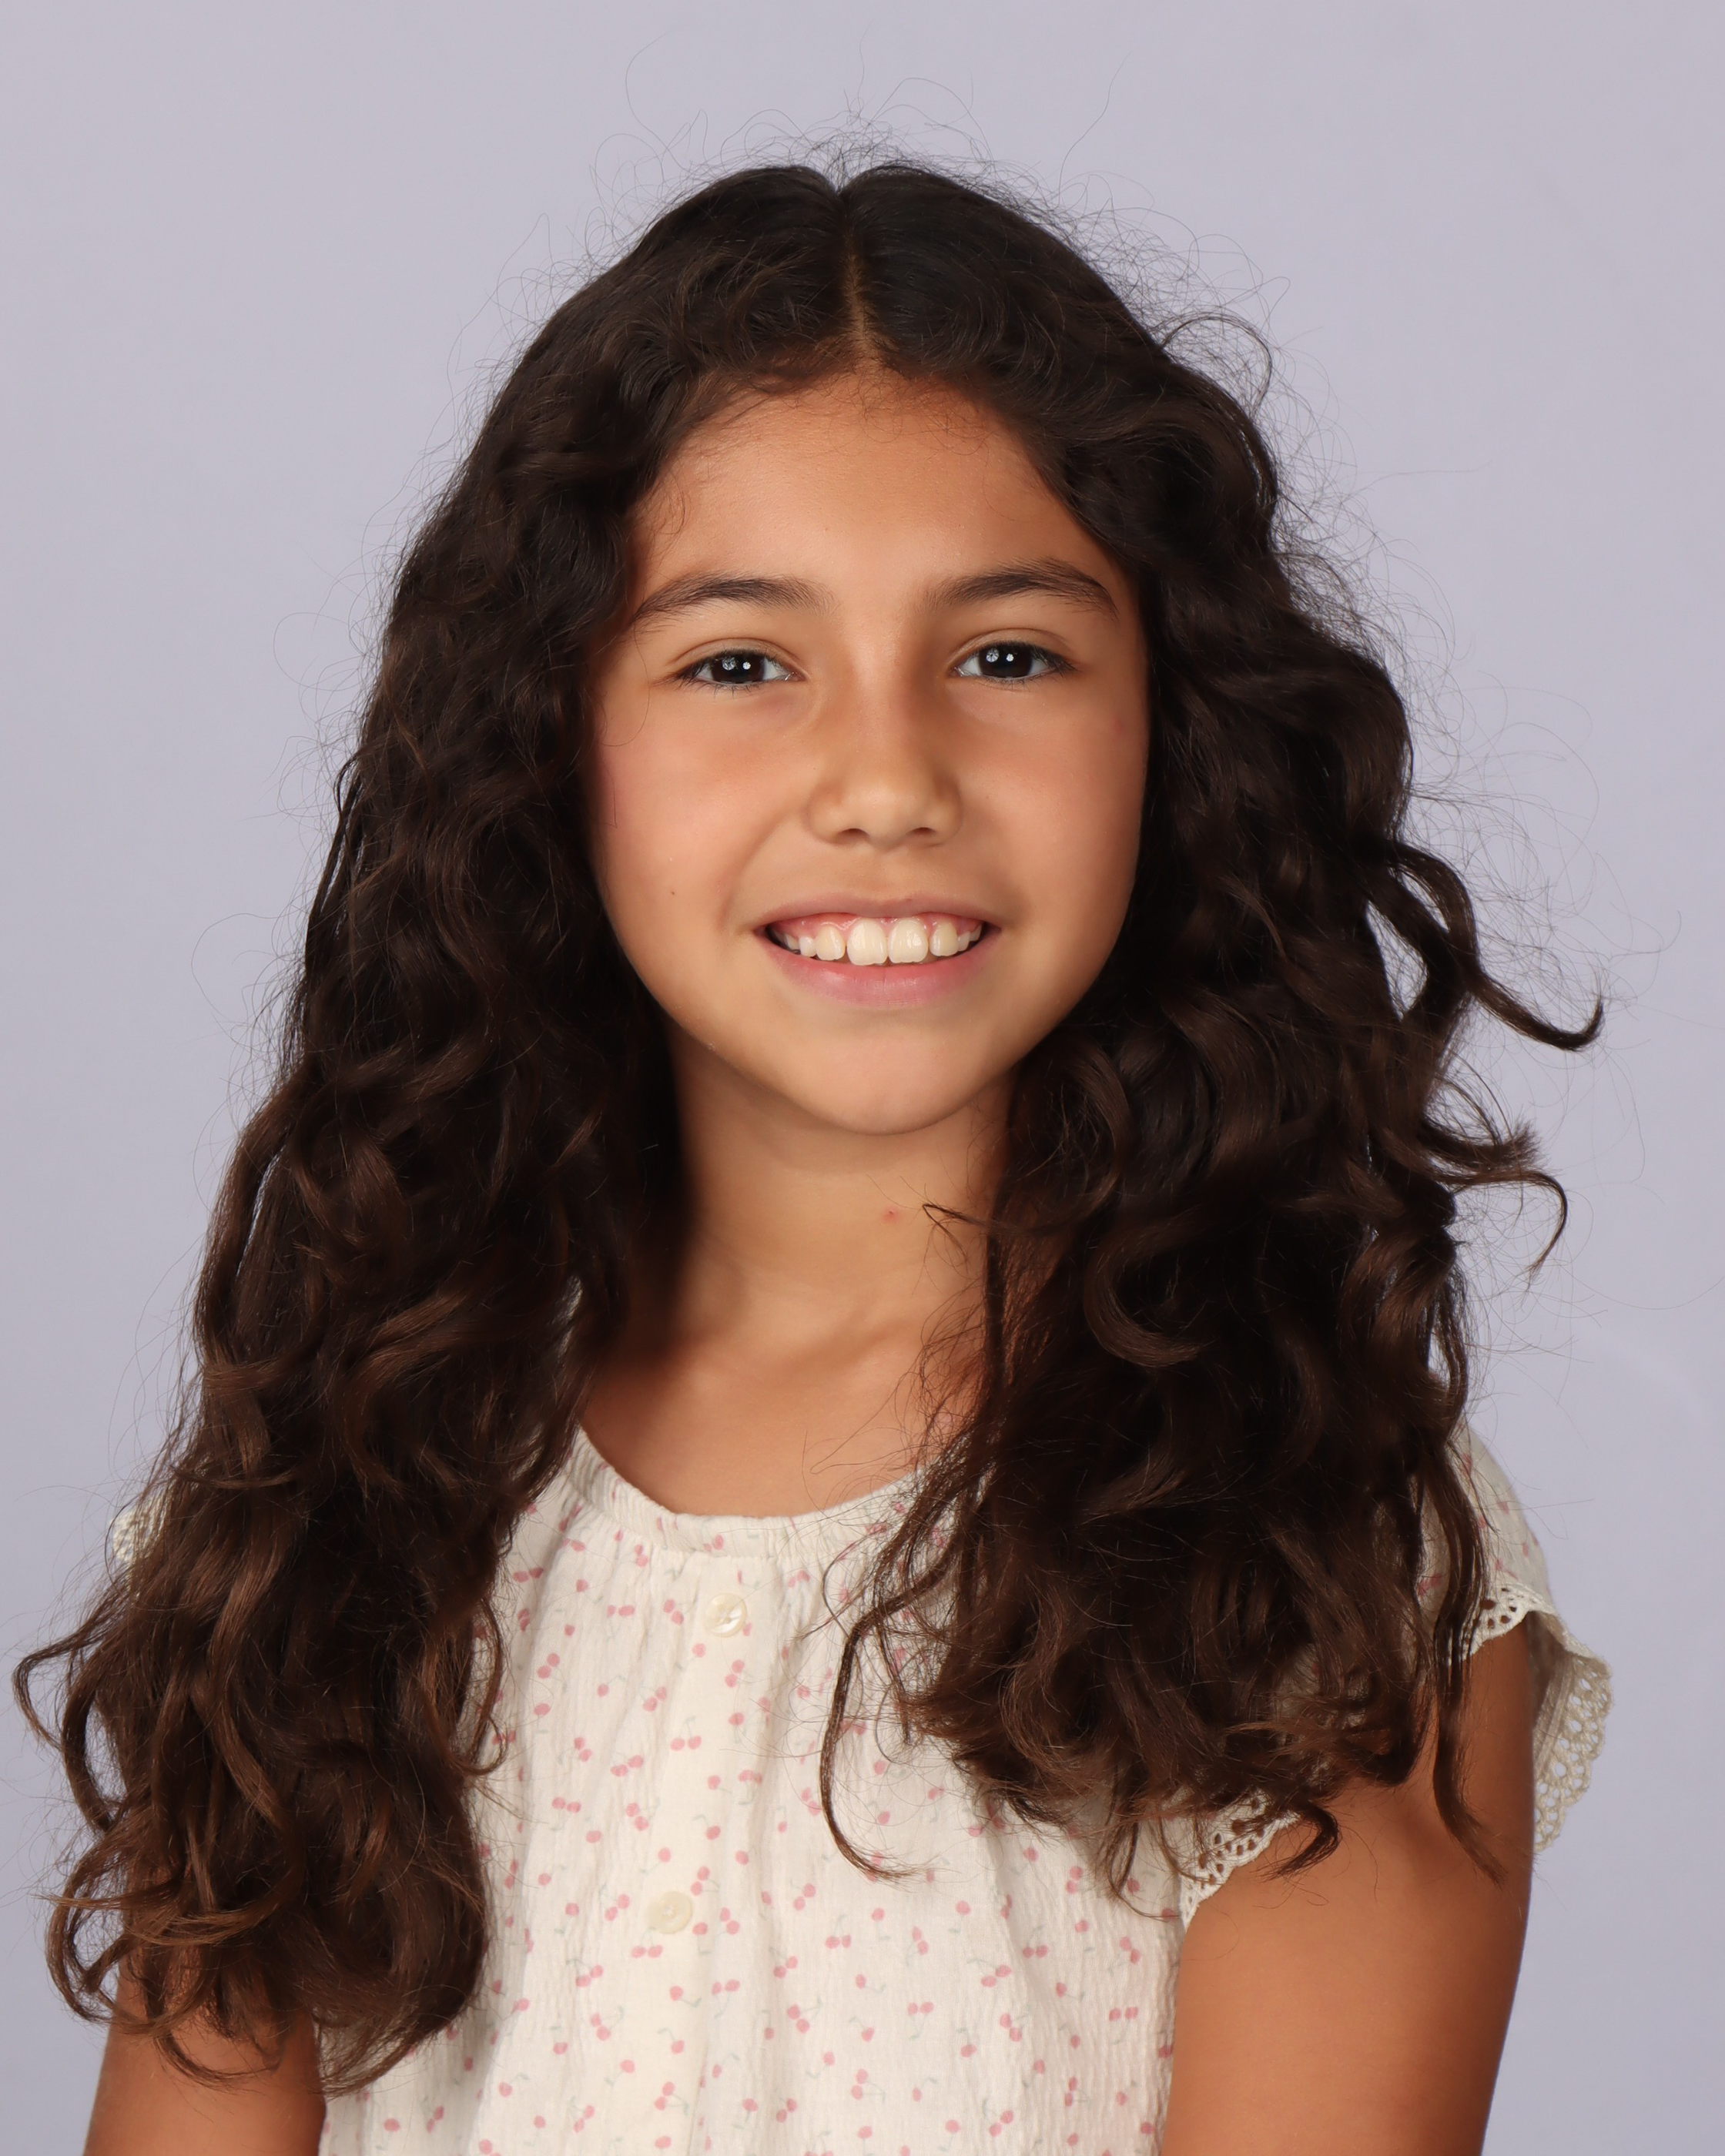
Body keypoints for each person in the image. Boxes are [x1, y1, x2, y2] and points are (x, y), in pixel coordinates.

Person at [19, 159, 1609, 2155]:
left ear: (1174, 732)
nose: (882, 780)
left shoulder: (1310, 1554)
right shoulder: (346, 1486)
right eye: (739, 663)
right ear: (550, 744)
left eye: (1008, 654)